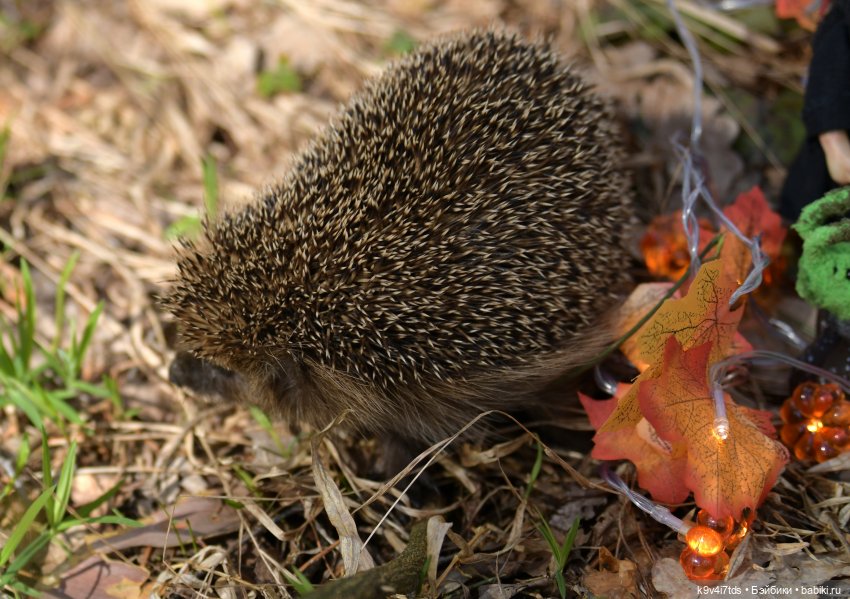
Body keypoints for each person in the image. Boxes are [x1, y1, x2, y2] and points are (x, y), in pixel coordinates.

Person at [780, 0, 850, 222]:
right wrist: (833, 140)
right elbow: (826, 79)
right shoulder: (842, 23)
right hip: (843, 141)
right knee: (825, 211)